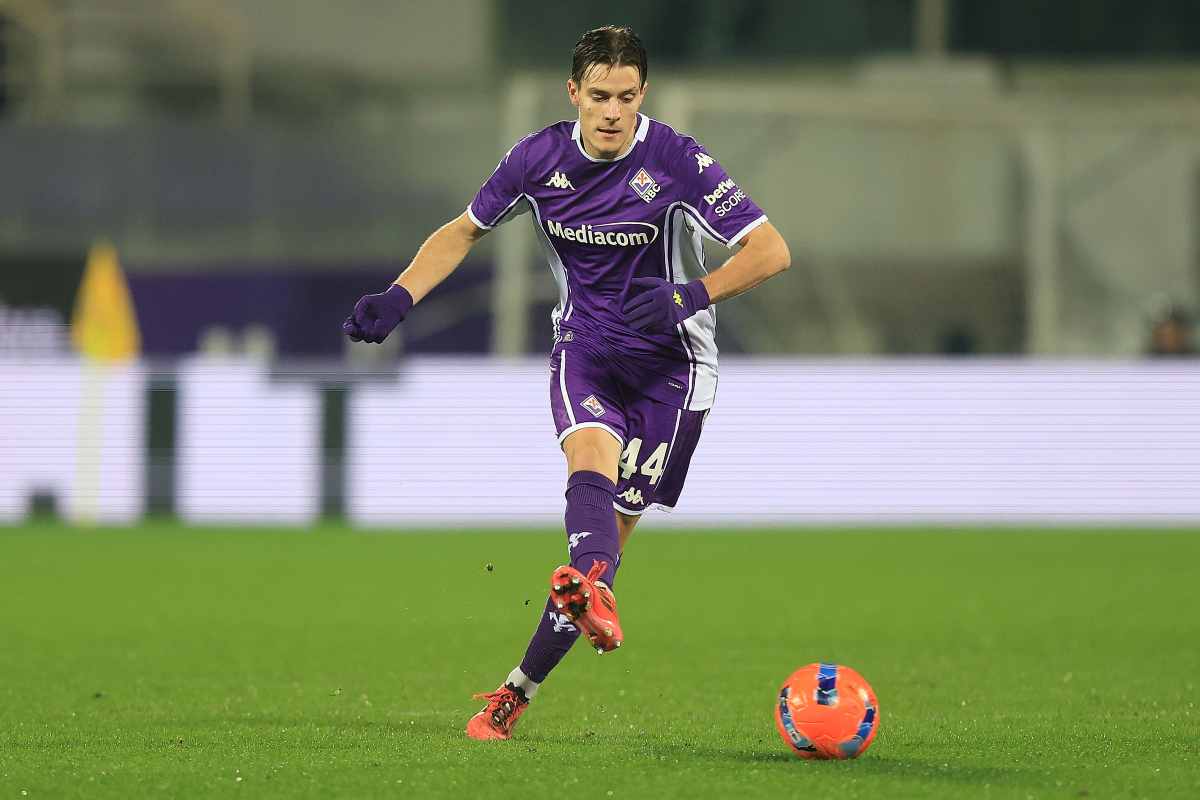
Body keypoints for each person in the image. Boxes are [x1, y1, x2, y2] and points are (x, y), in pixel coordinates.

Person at [343, 25, 790, 741]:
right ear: (573, 93)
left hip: (674, 371)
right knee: (587, 462)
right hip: (585, 347)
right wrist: (399, 297)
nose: (612, 112)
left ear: (643, 95)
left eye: (627, 97)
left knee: (602, 553)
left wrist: (689, 295)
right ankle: (585, 598)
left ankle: (518, 690)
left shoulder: (676, 160)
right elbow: (463, 231)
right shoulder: (537, 160)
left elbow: (771, 251)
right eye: (599, 96)